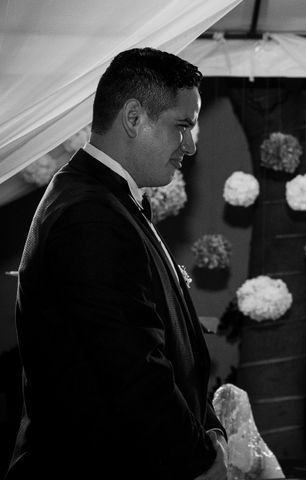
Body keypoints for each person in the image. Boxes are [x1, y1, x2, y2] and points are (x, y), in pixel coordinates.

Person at [6, 48, 228, 480]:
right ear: (132, 118)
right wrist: (201, 462)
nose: (191, 144)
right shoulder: (89, 215)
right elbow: (135, 371)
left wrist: (211, 430)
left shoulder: (104, 200)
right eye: (182, 125)